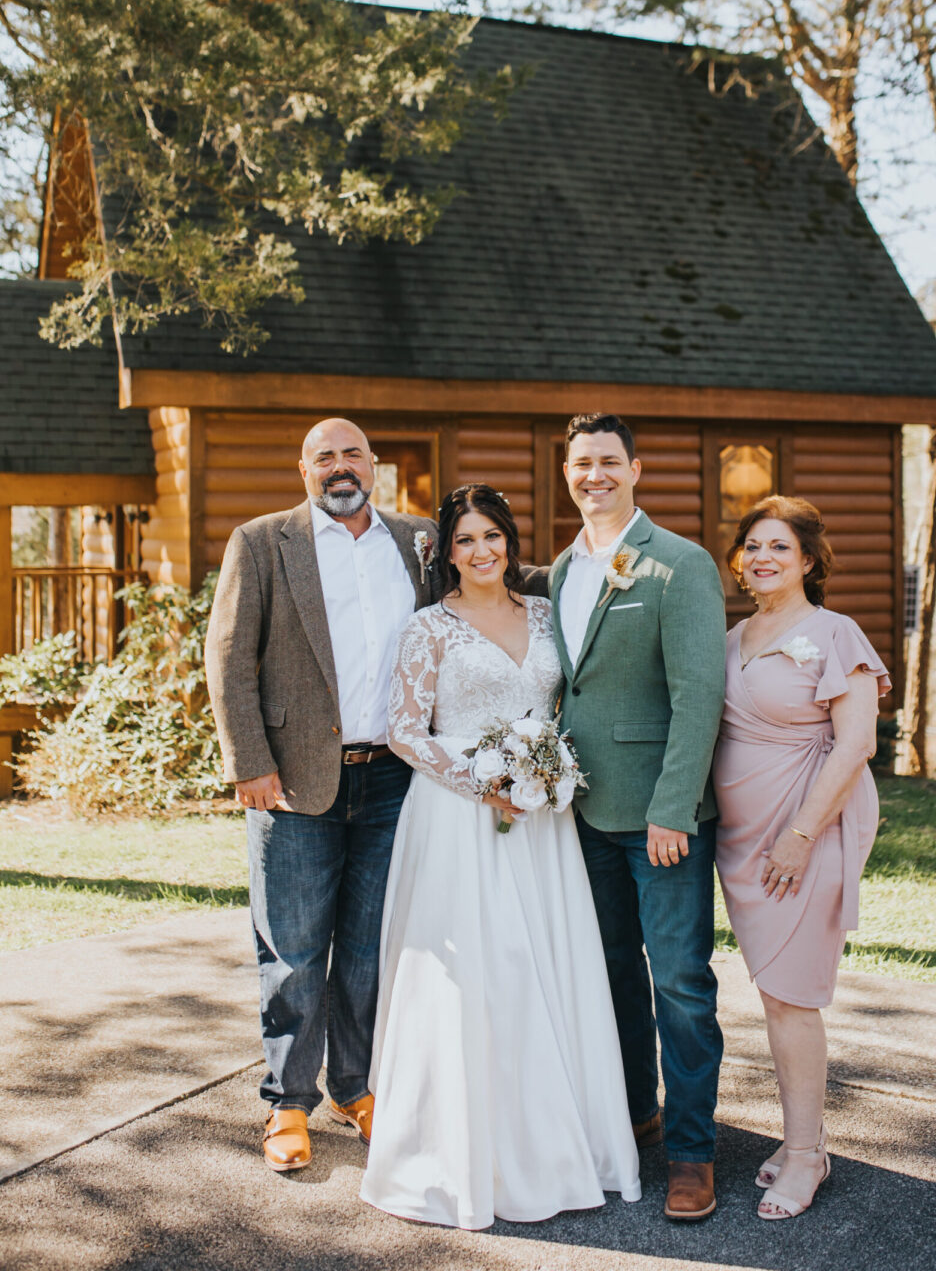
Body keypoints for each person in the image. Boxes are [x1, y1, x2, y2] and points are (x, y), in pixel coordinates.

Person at [360, 484, 641, 1231]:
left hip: (543, 818)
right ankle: (471, 1152)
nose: (481, 551)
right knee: (483, 974)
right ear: (447, 553)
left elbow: (564, 704)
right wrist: (482, 782)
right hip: (460, 819)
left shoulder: (547, 613)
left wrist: (543, 768)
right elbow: (403, 730)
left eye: (492, 536)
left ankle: (565, 1137)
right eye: (466, 541)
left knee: (550, 964)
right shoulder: (429, 629)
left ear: (510, 542)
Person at [205, 417, 439, 1173]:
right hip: (295, 777)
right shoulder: (262, 541)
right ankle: (288, 1103)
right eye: (324, 457)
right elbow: (230, 659)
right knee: (293, 951)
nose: (341, 468)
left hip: (394, 779)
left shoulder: (417, 542)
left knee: (369, 949)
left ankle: (355, 1086)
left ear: (375, 465)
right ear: (303, 469)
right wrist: (249, 762)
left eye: (353, 455)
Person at [550, 413, 727, 1222]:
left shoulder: (678, 565)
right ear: (567, 473)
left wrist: (674, 809)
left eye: (609, 462)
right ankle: (637, 1114)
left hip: (661, 820)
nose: (595, 475)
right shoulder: (561, 570)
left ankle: (693, 1154)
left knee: (681, 985)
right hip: (582, 815)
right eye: (582, 463)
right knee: (613, 976)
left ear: (636, 470)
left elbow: (699, 697)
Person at [713, 494, 889, 1222]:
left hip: (807, 830)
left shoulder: (836, 632)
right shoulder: (732, 636)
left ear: (809, 561)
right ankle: (800, 1140)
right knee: (773, 992)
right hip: (742, 839)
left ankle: (808, 1153)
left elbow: (856, 743)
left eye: (780, 547)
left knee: (793, 994)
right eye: (753, 545)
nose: (763, 557)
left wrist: (800, 835)